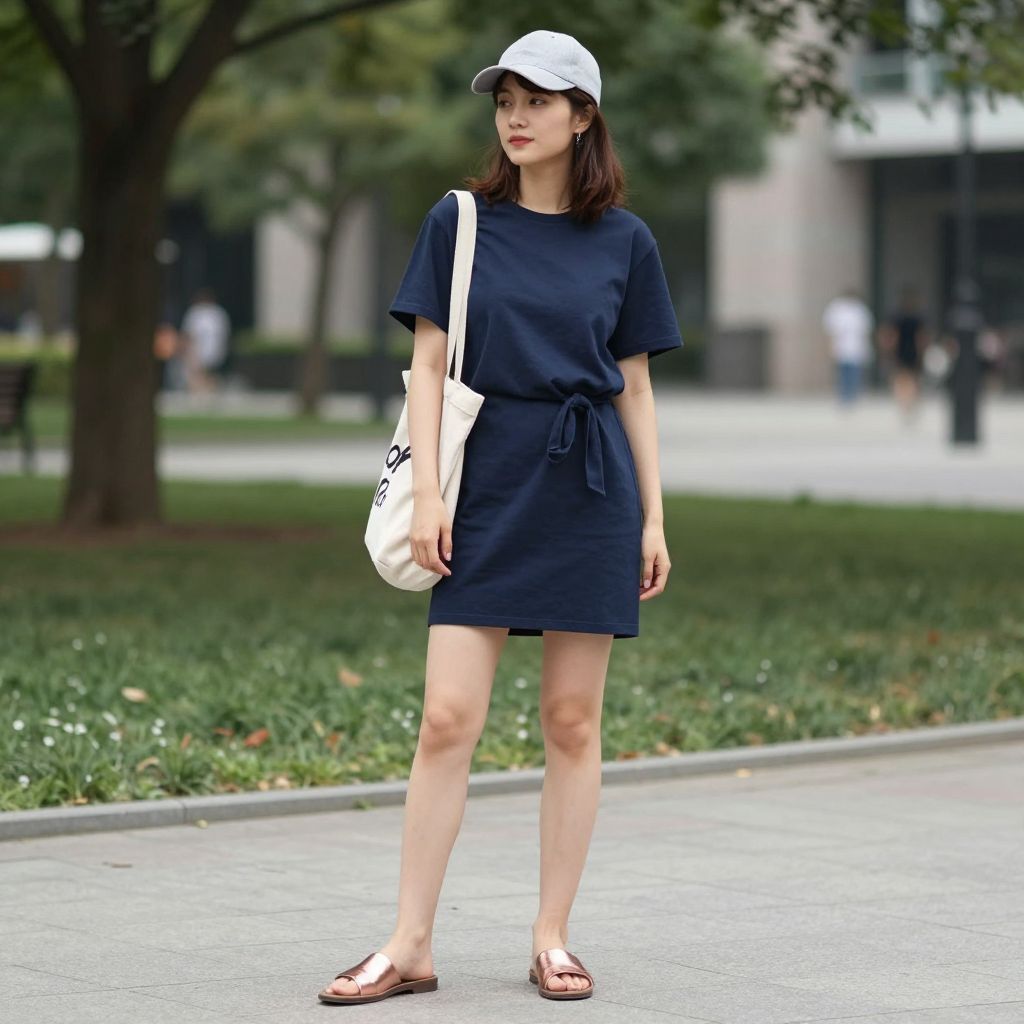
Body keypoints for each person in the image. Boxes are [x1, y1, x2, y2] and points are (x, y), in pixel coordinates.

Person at [318, 29, 683, 1007]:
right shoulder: (461, 221)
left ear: (582, 116)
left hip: (591, 490)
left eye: (538, 100)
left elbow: (636, 388)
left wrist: (653, 517)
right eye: (505, 100)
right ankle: (409, 944)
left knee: (571, 720)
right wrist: (430, 494)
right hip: (483, 485)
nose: (516, 118)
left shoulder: (626, 242)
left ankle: (551, 936)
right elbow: (427, 365)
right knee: (447, 718)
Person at [878, 285, 928, 422]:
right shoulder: (917, 317)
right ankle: (909, 401)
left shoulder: (897, 316)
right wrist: (922, 352)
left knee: (901, 378)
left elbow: (890, 336)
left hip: (901, 351)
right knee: (911, 378)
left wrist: (888, 350)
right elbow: (921, 338)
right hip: (911, 351)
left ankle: (904, 402)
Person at [822, 287, 874, 407]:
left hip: (856, 346)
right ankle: (844, 395)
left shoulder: (860, 309)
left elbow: (866, 329)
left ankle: (852, 395)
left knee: (854, 372)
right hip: (841, 345)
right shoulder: (836, 308)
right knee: (842, 372)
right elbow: (830, 329)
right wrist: (830, 345)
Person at [180, 286, 230, 394]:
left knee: (205, 374)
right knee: (200, 374)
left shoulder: (214, 313)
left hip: (209, 352)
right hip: (202, 351)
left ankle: (205, 391)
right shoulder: (200, 312)